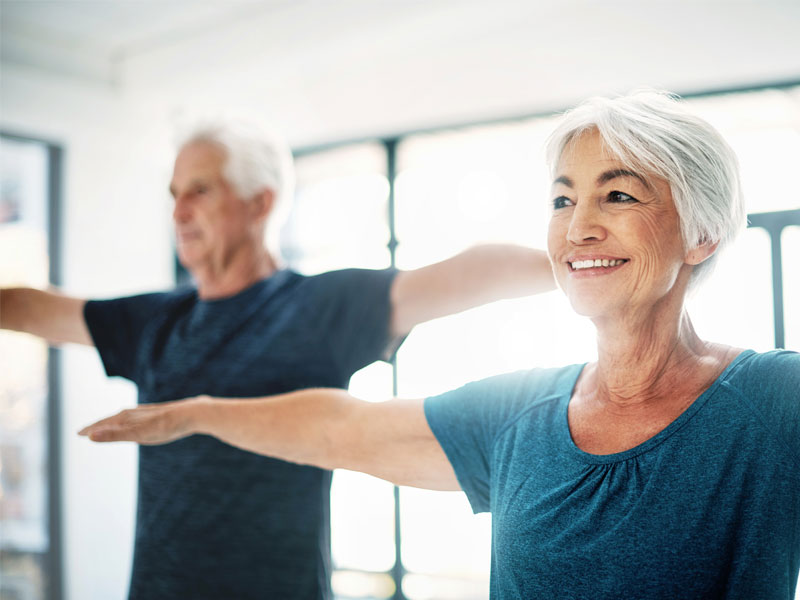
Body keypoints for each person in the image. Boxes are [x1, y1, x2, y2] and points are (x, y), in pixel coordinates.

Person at [80, 91, 800, 599]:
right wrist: (197, 411)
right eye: (561, 199)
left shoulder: (774, 404)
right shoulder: (523, 414)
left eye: (618, 196)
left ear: (703, 232)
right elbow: (342, 427)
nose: (577, 226)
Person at [0, 119, 556, 600]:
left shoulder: (317, 308)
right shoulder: (154, 322)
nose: (179, 211)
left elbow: (463, 274)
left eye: (199, 190)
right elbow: (30, 309)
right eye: (174, 193)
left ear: (260, 202)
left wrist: (588, 264)